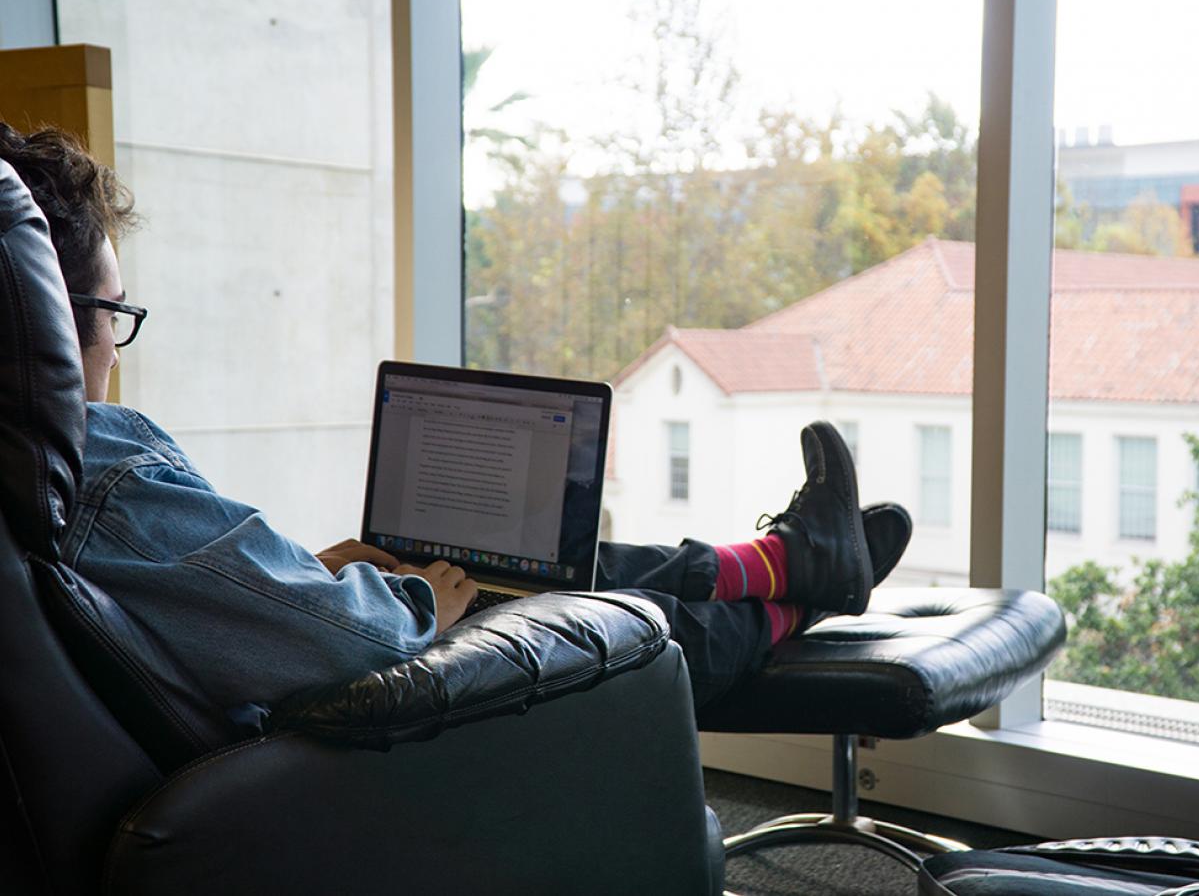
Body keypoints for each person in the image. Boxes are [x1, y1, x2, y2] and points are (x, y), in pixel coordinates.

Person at [1, 122, 912, 727]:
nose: (116, 350)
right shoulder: (99, 471)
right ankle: (801, 594)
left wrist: (319, 573)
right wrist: (422, 600)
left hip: (275, 670)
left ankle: (792, 560)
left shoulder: (28, 468)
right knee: (605, 613)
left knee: (530, 561)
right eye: (113, 313)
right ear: (46, 312)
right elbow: (347, 643)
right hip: (313, 743)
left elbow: (199, 608)